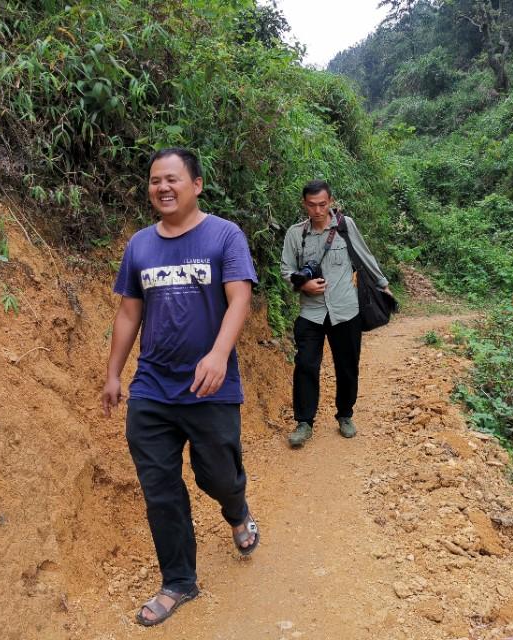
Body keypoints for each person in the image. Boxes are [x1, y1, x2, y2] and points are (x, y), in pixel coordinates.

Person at [101, 147, 259, 627]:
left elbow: (239, 300)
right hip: (151, 389)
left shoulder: (224, 236)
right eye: (154, 181)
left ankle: (237, 511)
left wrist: (217, 354)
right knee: (160, 489)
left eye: (171, 179)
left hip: (209, 387)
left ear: (196, 184)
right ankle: (178, 581)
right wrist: (114, 373)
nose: (162, 188)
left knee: (217, 476)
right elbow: (129, 312)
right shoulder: (140, 246)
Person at [280, 180, 391, 448]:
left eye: (322, 204)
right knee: (306, 365)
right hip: (311, 312)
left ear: (330, 202)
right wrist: (302, 283)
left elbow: (365, 257)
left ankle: (345, 415)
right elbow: (286, 269)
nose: (317, 210)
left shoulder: (345, 226)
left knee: (347, 366)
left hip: (346, 310)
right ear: (304, 204)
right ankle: (304, 422)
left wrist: (383, 285)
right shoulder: (296, 234)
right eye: (311, 205)